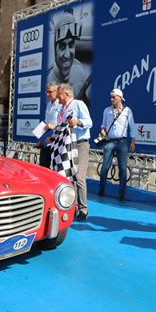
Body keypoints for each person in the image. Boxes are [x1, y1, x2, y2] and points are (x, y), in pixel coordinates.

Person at [56, 83, 92, 220]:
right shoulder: (61, 109)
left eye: (59, 93)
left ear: (66, 94)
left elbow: (89, 122)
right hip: (67, 145)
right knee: (68, 176)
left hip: (80, 144)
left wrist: (78, 122)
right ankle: (72, 206)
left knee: (79, 176)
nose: (57, 96)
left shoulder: (78, 104)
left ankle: (83, 209)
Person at [98, 88, 136, 201]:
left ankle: (122, 194)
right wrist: (103, 130)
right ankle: (101, 190)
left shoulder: (127, 110)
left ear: (120, 98)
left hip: (122, 142)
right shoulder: (106, 110)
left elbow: (132, 127)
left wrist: (133, 142)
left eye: (114, 97)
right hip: (109, 141)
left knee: (123, 168)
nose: (112, 99)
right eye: (111, 97)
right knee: (105, 166)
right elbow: (103, 124)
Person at [47, 9, 91, 103]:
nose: (67, 55)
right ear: (55, 49)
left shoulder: (79, 73)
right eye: (62, 46)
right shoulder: (47, 80)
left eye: (71, 45)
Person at [39, 83, 61, 168]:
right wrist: (41, 138)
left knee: (57, 167)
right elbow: (46, 122)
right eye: (46, 92)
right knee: (43, 165)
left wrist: (53, 126)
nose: (47, 94)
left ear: (56, 91)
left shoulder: (61, 104)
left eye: (50, 92)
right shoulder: (49, 104)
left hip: (57, 139)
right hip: (47, 138)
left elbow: (64, 123)